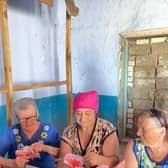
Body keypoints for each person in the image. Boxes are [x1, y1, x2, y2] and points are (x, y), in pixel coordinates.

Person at [58, 90, 119, 168]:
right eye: (78, 113)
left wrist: (99, 160)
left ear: (95, 113)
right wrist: (65, 165)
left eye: (87, 113)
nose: (83, 118)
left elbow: (115, 161)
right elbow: (63, 159)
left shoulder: (106, 129)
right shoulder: (69, 131)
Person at [0, 97, 60, 168]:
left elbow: (61, 154)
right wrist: (13, 163)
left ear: (37, 114)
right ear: (17, 118)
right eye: (23, 120)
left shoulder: (49, 129)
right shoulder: (11, 132)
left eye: (32, 118)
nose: (28, 123)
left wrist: (45, 148)